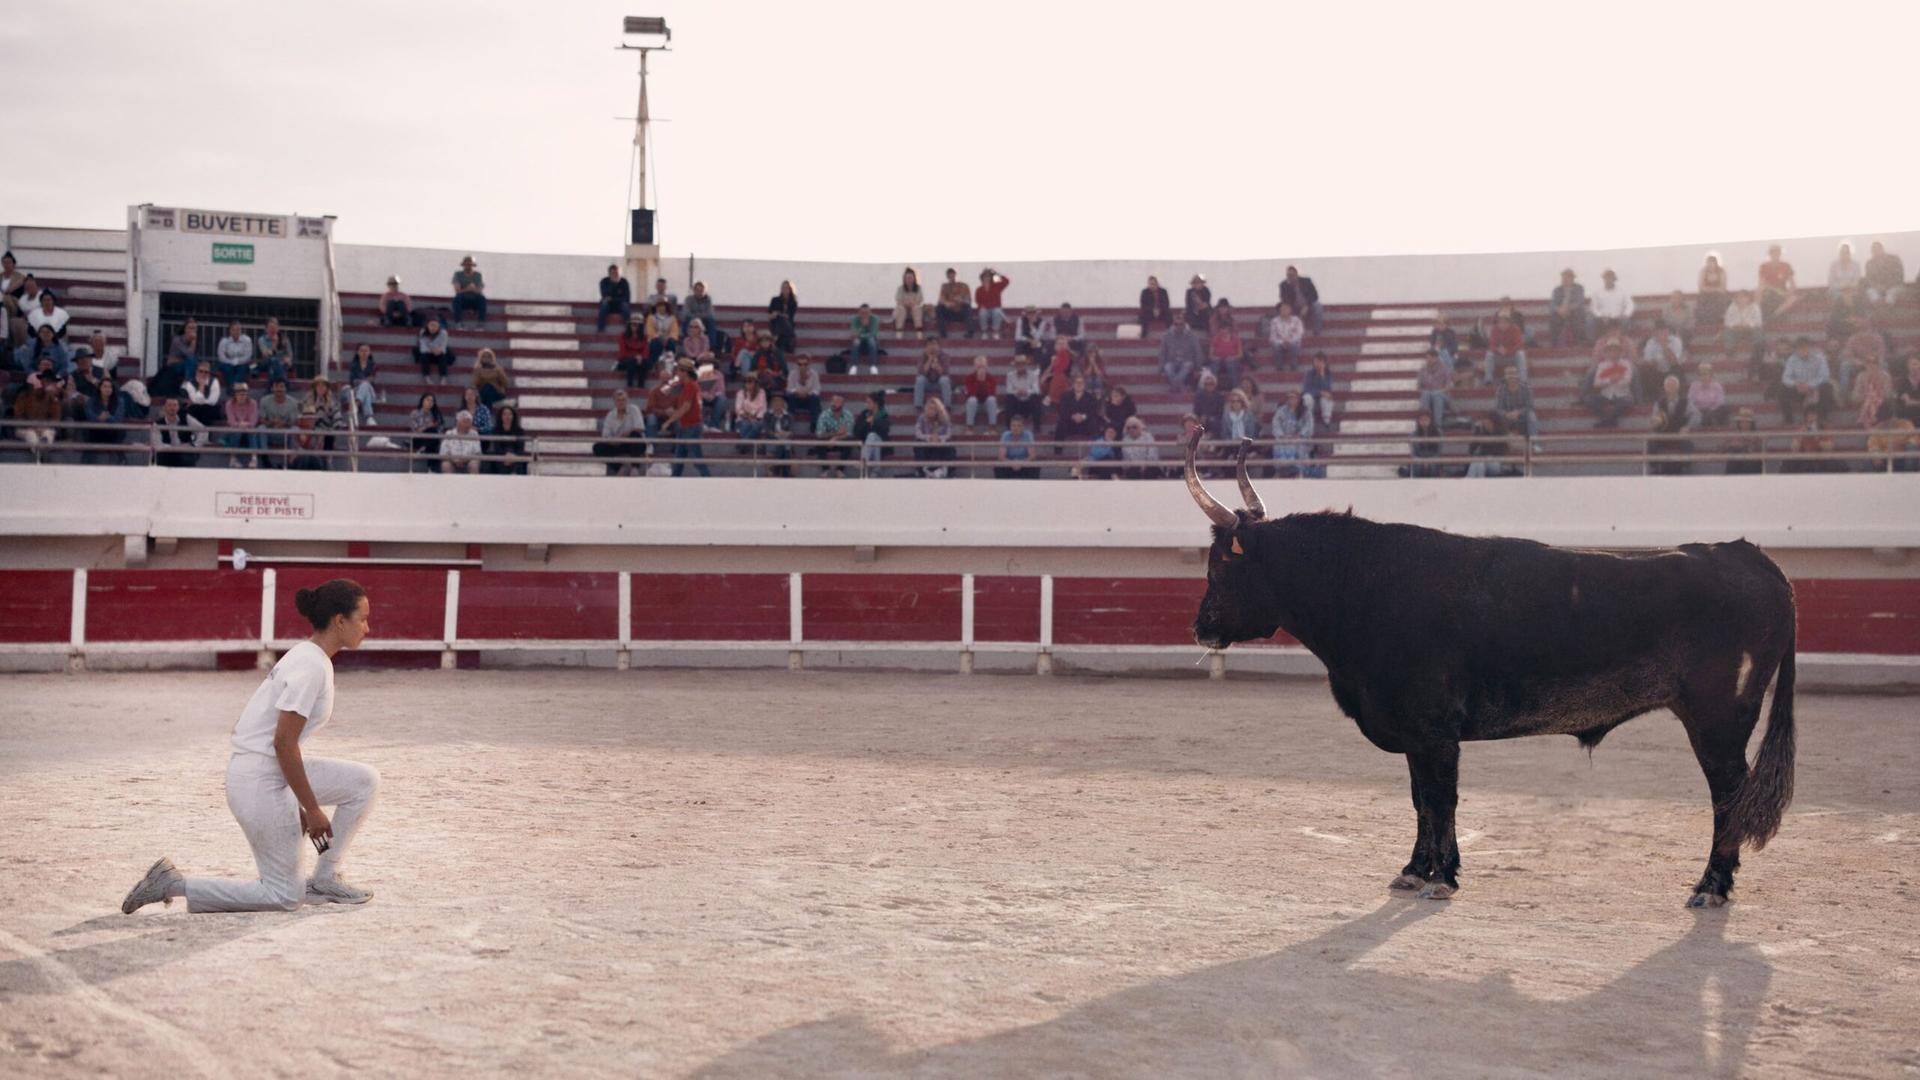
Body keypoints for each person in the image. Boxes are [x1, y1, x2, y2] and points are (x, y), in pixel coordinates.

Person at [119, 580, 380, 916]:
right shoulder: (311, 666)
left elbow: (261, 733)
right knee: (284, 896)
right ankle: (172, 884)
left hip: (268, 771)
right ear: (340, 621)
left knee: (364, 782)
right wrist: (311, 808)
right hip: (256, 782)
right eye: (363, 619)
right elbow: (283, 743)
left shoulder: (309, 656)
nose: (367, 628)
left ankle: (324, 879)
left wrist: (295, 802)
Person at [665, 358, 709, 477]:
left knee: (696, 459)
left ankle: (708, 480)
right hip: (686, 426)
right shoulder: (689, 385)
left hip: (691, 426)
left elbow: (685, 408)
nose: (676, 373)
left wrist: (669, 421)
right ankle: (674, 479)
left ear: (684, 372)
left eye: (678, 371)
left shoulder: (690, 386)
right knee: (679, 459)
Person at [1649, 375, 1699, 475]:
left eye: (1673, 385)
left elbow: (1697, 415)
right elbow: (1653, 420)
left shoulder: (1686, 402)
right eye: (1668, 385)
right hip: (1663, 435)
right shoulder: (1659, 403)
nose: (1671, 388)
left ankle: (1686, 468)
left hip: (1679, 434)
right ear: (1665, 388)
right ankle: (1654, 467)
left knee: (1688, 445)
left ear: (1677, 387)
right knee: (1651, 443)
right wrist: (1655, 423)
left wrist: (1688, 427)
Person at [593, 388, 647, 476]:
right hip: (617, 443)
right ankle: (620, 467)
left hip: (633, 443)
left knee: (635, 435)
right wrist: (615, 440)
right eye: (618, 400)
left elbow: (640, 428)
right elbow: (605, 436)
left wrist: (625, 435)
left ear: (627, 400)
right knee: (598, 447)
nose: (621, 402)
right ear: (614, 402)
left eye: (623, 400)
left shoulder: (634, 409)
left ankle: (635, 467)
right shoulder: (610, 415)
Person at [1583, 340, 1637, 427]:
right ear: (1607, 352)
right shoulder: (1602, 365)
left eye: (1616, 350)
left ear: (1620, 352)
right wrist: (1611, 380)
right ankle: (1609, 419)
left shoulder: (1626, 364)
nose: (1613, 353)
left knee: (1629, 401)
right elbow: (1596, 384)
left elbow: (1627, 381)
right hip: (1605, 395)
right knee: (1588, 399)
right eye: (1610, 350)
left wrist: (1608, 380)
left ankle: (1606, 420)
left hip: (1622, 395)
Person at [1779, 341, 1834, 425]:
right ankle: (1788, 420)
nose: (1803, 351)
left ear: (1810, 348)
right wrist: (1796, 384)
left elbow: (1825, 376)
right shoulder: (1792, 359)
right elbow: (1785, 378)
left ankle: (1822, 418)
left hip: (1815, 388)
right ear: (1796, 350)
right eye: (1800, 348)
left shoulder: (1819, 358)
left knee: (1827, 387)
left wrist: (1809, 385)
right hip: (1799, 389)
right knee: (1782, 389)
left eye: (1805, 348)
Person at [82, 375, 130, 465]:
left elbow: (118, 419)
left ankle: (122, 461)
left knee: (121, 431)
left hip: (112, 431)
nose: (108, 389)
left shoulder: (119, 401)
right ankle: (87, 461)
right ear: (100, 388)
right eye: (105, 386)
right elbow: (89, 416)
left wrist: (108, 417)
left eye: (110, 387)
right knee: (87, 430)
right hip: (96, 431)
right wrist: (98, 419)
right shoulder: (91, 401)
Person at [1492, 365, 1540, 450]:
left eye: (1513, 373)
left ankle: (1535, 444)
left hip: (1522, 417)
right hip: (1507, 417)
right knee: (1496, 417)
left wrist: (1518, 412)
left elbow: (1530, 406)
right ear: (1505, 376)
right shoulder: (1501, 390)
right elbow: (1498, 408)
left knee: (1532, 416)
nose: (1511, 376)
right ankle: (1500, 446)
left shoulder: (1526, 388)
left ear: (1518, 375)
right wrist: (1506, 414)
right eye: (1508, 374)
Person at [1269, 391, 1315, 476]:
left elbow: (1308, 426)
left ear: (1299, 399)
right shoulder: (1281, 410)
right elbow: (1276, 424)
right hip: (1284, 437)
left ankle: (1299, 471)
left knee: (1299, 446)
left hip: (1299, 438)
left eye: (1294, 398)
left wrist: (1300, 435)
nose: (1292, 400)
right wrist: (1282, 435)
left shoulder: (1306, 412)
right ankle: (1281, 469)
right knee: (1279, 444)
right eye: (1290, 398)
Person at [258, 377, 300, 467]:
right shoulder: (264, 401)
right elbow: (261, 420)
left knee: (295, 429)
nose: (279, 389)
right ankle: (265, 458)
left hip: (285, 433)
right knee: (261, 428)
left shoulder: (293, 402)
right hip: (271, 432)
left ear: (286, 388)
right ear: (272, 388)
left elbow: (294, 422)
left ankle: (291, 460)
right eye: (276, 387)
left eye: (281, 387)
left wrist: (284, 424)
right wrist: (272, 422)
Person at [222, 381, 265, 467]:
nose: (242, 396)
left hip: (248, 429)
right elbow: (231, 421)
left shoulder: (253, 403)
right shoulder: (229, 404)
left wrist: (244, 425)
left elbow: (253, 421)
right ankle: (233, 459)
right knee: (236, 431)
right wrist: (240, 425)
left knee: (252, 431)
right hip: (235, 430)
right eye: (239, 394)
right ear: (235, 395)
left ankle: (254, 459)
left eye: (244, 394)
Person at [812, 392, 856, 476]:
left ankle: (840, 470)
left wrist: (836, 438)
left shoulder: (848, 415)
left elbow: (849, 433)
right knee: (819, 441)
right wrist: (835, 434)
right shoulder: (824, 415)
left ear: (843, 404)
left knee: (850, 441)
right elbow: (820, 433)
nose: (833, 404)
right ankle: (825, 469)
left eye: (837, 402)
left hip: (841, 441)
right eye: (832, 401)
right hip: (827, 441)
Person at [150, 396, 201, 467]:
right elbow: (157, 445)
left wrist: (194, 445)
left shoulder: (186, 418)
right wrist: (174, 447)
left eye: (175, 405)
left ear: (178, 407)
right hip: (166, 454)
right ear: (164, 407)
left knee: (188, 456)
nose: (172, 408)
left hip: (184, 454)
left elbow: (203, 431)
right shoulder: (157, 424)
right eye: (169, 405)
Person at [1054, 372, 1102, 446]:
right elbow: (1062, 410)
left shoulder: (1091, 397)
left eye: (1081, 383)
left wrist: (1083, 417)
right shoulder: (1066, 396)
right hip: (1070, 424)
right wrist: (1072, 416)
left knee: (1094, 423)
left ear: (1084, 385)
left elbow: (1093, 411)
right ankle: (1057, 451)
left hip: (1085, 425)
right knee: (1061, 424)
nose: (1079, 384)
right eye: (1077, 382)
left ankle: (1095, 449)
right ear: (1073, 384)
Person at [184, 360, 225, 444]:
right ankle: (197, 437)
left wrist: (201, 389)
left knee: (205, 409)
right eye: (201, 371)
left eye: (206, 372)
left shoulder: (214, 381)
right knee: (194, 409)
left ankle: (205, 438)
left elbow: (212, 401)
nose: (203, 374)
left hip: (211, 409)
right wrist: (201, 387)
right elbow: (196, 400)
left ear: (209, 373)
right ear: (196, 371)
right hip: (196, 409)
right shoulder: (190, 383)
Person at [1158, 316, 1203, 390]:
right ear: (1173, 324)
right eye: (1176, 324)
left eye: (1181, 324)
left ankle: (1174, 386)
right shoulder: (1166, 336)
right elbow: (1162, 353)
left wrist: (1198, 368)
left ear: (1185, 324)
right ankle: (1179, 385)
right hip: (1171, 361)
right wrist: (1161, 368)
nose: (1178, 326)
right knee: (1167, 367)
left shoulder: (1192, 336)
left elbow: (1197, 351)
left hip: (1187, 360)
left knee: (1187, 366)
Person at [1548, 269, 1591, 346]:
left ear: (1572, 279)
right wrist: (1559, 310)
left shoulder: (1579, 288)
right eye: (1563, 278)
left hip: (1573, 311)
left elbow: (1579, 302)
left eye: (1567, 278)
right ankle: (1555, 344)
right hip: (1560, 313)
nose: (1564, 280)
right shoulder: (1557, 290)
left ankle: (1579, 343)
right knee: (1553, 317)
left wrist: (1568, 309)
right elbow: (1553, 304)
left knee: (1579, 314)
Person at [1850, 355, 1894, 428]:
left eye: (1874, 362)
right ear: (1865, 364)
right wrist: (1865, 396)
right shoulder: (1861, 376)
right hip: (1864, 400)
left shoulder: (1885, 376)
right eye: (1869, 362)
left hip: (1881, 402)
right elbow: (1855, 394)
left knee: (1871, 400)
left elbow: (1888, 393)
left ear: (1878, 364)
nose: (1871, 365)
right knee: (1869, 400)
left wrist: (1877, 396)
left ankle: (1864, 420)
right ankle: (1872, 422)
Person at [853, 391, 891, 473]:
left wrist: (874, 422)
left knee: (872, 436)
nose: (867, 405)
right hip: (867, 444)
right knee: (873, 439)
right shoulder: (864, 414)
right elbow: (856, 431)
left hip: (882, 444)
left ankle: (863, 462)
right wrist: (866, 422)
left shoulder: (884, 415)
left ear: (875, 404)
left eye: (869, 402)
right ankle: (876, 470)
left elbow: (885, 430)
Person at [1002, 353, 1042, 430]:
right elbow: (1008, 390)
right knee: (1009, 398)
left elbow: (1036, 390)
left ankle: (1037, 428)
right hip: (1017, 403)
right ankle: (1009, 428)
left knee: (1036, 398)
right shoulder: (1010, 375)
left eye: (1023, 364)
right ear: (1015, 366)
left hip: (1029, 403)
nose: (1021, 366)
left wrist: (1027, 392)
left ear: (1026, 365)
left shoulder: (1033, 375)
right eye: (1018, 364)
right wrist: (1017, 392)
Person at [1756, 244, 1798, 318]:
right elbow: (1761, 283)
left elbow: (1793, 284)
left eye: (1777, 252)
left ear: (1780, 254)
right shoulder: (1764, 266)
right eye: (1773, 252)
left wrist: (1789, 293)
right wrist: (1775, 290)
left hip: (1782, 291)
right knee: (1759, 291)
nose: (1775, 254)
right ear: (1770, 254)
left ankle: (1774, 316)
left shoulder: (1786, 265)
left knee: (1793, 298)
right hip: (1769, 291)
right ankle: (1757, 314)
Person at [1280, 266, 1323, 336]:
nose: (1290, 277)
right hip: (1294, 307)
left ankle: (1317, 332)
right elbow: (1284, 299)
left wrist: (1306, 306)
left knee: (1318, 306)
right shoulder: (1284, 285)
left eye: (1292, 275)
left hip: (1308, 306)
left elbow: (1315, 295)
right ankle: (1289, 333)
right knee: (1283, 308)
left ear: (1296, 274)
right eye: (1288, 275)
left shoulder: (1306, 281)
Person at [1484, 312, 1526, 383]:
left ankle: (1523, 380)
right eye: (1500, 322)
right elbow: (1491, 345)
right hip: (1499, 357)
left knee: (1521, 354)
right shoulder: (1494, 330)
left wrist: (1508, 351)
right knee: (1489, 354)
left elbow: (1519, 345)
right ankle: (1488, 379)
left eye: (1505, 322)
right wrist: (1497, 349)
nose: (1503, 324)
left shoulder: (1516, 329)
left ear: (1509, 322)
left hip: (1512, 357)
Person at [487, 404, 529, 475]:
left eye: (510, 414)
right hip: (501, 456)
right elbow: (497, 447)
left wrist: (512, 456)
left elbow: (520, 447)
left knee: (518, 458)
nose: (507, 416)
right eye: (505, 414)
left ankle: (514, 475)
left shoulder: (520, 431)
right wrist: (506, 455)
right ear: (501, 416)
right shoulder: (496, 430)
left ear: (513, 416)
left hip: (515, 456)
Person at [1401, 412, 1445, 478]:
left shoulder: (1438, 433)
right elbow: (1414, 452)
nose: (1424, 422)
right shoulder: (1413, 435)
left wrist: (1429, 461)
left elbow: (1438, 452)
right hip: (1419, 458)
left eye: (1426, 419)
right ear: (1418, 421)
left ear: (1431, 420)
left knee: (1434, 465)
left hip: (1433, 458)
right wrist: (1422, 461)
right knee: (1416, 464)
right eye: (1422, 420)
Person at [408, 392, 444, 472]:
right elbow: (417, 430)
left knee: (433, 436)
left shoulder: (436, 415)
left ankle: (423, 450)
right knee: (432, 432)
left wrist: (431, 428)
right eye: (428, 400)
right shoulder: (415, 413)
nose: (430, 402)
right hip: (418, 439)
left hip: (433, 439)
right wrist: (429, 426)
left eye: (432, 401)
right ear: (422, 401)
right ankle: (432, 469)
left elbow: (440, 431)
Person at [1863, 241, 1907, 307]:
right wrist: (1878, 287)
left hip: (1895, 286)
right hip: (1878, 288)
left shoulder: (1894, 259)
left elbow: (1899, 276)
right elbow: (1869, 280)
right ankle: (1879, 309)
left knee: (1890, 294)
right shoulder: (1869, 263)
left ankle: (1887, 309)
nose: (1876, 252)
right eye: (1874, 250)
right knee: (1871, 292)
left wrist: (1887, 286)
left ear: (1882, 249)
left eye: (1878, 249)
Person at [1722, 291, 1765, 359]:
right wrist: (1735, 325)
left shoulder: (1755, 307)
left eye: (1743, 297)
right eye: (1738, 297)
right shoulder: (1732, 307)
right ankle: (1730, 351)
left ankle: (1757, 352)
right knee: (1727, 331)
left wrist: (1748, 324)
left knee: (1758, 331)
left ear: (1749, 298)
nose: (1741, 299)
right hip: (1736, 330)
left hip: (1750, 330)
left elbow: (1758, 321)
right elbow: (1727, 322)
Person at [785, 353, 823, 429]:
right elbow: (789, 388)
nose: (803, 366)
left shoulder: (814, 374)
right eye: (800, 364)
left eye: (805, 364)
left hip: (809, 399)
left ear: (809, 364)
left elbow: (817, 389)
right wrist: (797, 392)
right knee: (790, 396)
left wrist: (808, 393)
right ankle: (789, 421)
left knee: (815, 398)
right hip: (796, 399)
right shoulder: (792, 373)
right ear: (797, 364)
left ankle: (814, 423)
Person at [962, 355, 998, 433]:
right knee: (972, 400)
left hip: (986, 404)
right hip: (974, 405)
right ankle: (969, 427)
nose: (981, 369)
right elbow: (970, 394)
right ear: (975, 367)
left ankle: (992, 427)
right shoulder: (969, 378)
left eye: (983, 367)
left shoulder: (991, 378)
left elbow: (991, 393)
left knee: (992, 399)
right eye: (979, 367)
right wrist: (979, 381)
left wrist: (983, 382)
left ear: (986, 366)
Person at [762, 394, 796, 477]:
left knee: (784, 446)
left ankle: (776, 469)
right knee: (783, 447)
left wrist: (786, 433)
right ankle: (786, 471)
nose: (777, 405)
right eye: (775, 403)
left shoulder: (789, 416)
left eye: (779, 403)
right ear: (771, 405)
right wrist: (775, 434)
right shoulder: (767, 415)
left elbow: (792, 431)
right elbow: (766, 430)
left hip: (785, 439)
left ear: (783, 405)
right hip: (772, 440)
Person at [1265, 301, 1305, 372]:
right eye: (1282, 309)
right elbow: (1273, 336)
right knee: (1276, 346)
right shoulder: (1275, 321)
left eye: (1286, 308)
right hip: (1279, 342)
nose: (1284, 310)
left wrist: (1289, 341)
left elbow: (1299, 333)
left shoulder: (1296, 320)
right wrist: (1282, 342)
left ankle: (1293, 366)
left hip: (1293, 342)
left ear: (1290, 310)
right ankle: (1279, 367)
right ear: (1279, 310)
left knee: (1294, 345)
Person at [1418, 348, 1452, 428]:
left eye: (1429, 358)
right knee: (1426, 394)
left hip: (1442, 395)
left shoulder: (1444, 369)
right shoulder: (1423, 370)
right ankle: (1425, 423)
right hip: (1428, 395)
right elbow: (1419, 386)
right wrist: (1426, 391)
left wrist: (1438, 392)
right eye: (1427, 358)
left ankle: (1437, 425)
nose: (1427, 360)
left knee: (1437, 395)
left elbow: (1448, 386)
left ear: (1435, 358)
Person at [935, 268, 974, 339]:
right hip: (949, 313)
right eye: (949, 275)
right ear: (947, 276)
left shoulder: (963, 286)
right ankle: (942, 334)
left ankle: (970, 332)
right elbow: (940, 300)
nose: (951, 276)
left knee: (968, 307)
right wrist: (946, 303)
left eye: (952, 274)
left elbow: (969, 300)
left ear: (955, 275)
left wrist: (961, 300)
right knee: (939, 308)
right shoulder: (945, 286)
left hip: (961, 313)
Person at [1300, 352, 1336, 428]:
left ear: (1324, 363)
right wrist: (1319, 392)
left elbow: (1328, 388)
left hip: (1323, 396)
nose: (1317, 364)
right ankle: (1309, 420)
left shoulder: (1328, 374)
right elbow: (1306, 389)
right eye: (1315, 362)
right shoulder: (1309, 373)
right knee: (1307, 398)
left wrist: (1322, 375)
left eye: (1320, 362)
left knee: (1328, 398)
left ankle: (1326, 422)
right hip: (1311, 395)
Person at [1688, 362, 1730, 428]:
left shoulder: (1717, 386)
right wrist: (1697, 411)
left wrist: (1711, 410)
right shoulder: (1694, 386)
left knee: (1723, 409)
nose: (1703, 377)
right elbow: (1690, 401)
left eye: (1706, 374)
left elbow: (1720, 402)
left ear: (1711, 375)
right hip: (1698, 411)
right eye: (1701, 374)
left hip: (1713, 411)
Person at [995, 414, 1037, 478]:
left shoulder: (1028, 435)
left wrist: (1021, 463)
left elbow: (1032, 456)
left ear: (1023, 427)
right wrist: (1011, 463)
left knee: (1035, 467)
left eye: (1019, 426)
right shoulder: (1005, 435)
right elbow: (1001, 456)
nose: (1016, 428)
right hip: (1009, 464)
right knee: (998, 468)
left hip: (1025, 463)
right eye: (1013, 425)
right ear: (1010, 427)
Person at [413, 317, 453, 383]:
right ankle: (426, 376)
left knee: (444, 356)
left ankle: (443, 377)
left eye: (435, 326)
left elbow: (443, 346)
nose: (433, 328)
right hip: (427, 353)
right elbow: (423, 347)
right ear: (427, 325)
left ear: (439, 326)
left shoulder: (443, 333)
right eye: (431, 325)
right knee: (422, 355)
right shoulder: (423, 332)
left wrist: (439, 350)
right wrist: (432, 350)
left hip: (438, 353)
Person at [915, 341, 953, 410]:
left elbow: (945, 373)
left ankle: (947, 406)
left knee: (945, 379)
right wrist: (929, 360)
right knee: (920, 379)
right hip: (927, 384)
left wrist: (937, 366)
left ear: (938, 346)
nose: (932, 347)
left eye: (934, 344)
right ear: (926, 347)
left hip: (940, 384)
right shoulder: (922, 356)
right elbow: (921, 372)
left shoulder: (944, 356)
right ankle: (918, 405)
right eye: (930, 345)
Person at [451, 256, 487, 328]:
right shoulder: (458, 274)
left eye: (470, 264)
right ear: (463, 265)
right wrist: (469, 289)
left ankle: (480, 324)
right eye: (466, 264)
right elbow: (457, 291)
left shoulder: (478, 275)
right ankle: (458, 323)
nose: (468, 266)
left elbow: (479, 290)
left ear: (473, 265)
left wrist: (469, 289)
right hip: (463, 300)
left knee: (482, 299)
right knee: (456, 299)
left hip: (475, 300)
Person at [255, 318, 293, 385]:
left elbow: (289, 354)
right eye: (271, 327)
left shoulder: (284, 339)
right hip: (266, 363)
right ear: (266, 329)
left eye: (275, 327)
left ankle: (270, 387)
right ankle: (286, 384)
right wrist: (275, 343)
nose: (273, 330)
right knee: (274, 360)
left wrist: (288, 360)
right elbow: (266, 354)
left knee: (274, 369)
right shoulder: (262, 339)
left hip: (281, 363)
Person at [974, 268, 1011, 339]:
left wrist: (996, 274)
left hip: (995, 309)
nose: (986, 278)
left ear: (991, 277)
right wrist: (981, 306)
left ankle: (995, 332)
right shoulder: (979, 289)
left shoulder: (997, 286)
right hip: (985, 309)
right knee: (982, 312)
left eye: (988, 276)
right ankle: (984, 332)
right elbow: (977, 301)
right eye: (985, 276)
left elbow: (1006, 281)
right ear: (982, 278)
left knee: (997, 311)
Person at [595, 263, 632, 333]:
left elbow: (627, 298)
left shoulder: (624, 282)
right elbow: (605, 295)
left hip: (620, 305)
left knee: (625, 306)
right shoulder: (604, 282)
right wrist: (613, 284)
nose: (615, 275)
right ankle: (600, 329)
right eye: (613, 273)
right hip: (609, 305)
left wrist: (612, 299)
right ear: (609, 274)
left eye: (616, 273)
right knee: (604, 305)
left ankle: (629, 329)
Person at [1695, 254, 1730, 327]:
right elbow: (1701, 288)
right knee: (1701, 297)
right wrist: (1715, 289)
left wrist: (1709, 289)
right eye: (1709, 263)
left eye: (1713, 263)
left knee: (1722, 298)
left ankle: (1719, 320)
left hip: (1718, 295)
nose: (1711, 266)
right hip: (1706, 294)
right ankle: (1703, 321)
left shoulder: (1722, 271)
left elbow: (1723, 289)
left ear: (1716, 263)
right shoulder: (1703, 271)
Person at [848, 303, 883, 375]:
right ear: (859, 312)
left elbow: (873, 333)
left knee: (871, 340)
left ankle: (873, 366)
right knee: (856, 341)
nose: (865, 315)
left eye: (867, 313)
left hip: (871, 343)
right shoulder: (854, 319)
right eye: (862, 313)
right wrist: (862, 326)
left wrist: (861, 335)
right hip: (859, 343)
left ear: (870, 312)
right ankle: (854, 366)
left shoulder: (875, 319)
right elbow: (854, 333)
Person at [217, 321, 255, 385]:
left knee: (244, 368)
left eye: (238, 330)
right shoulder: (224, 341)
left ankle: (232, 387)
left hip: (243, 363)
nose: (236, 332)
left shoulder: (247, 340)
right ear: (230, 331)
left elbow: (248, 356)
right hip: (228, 363)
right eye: (233, 330)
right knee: (227, 368)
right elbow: (221, 357)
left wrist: (237, 361)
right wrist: (231, 362)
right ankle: (234, 388)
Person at [644, 299, 680, 364]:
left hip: (668, 339)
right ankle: (653, 363)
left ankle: (670, 363)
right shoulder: (651, 317)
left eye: (663, 305)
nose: (661, 307)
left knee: (671, 343)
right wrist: (659, 337)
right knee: (655, 343)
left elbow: (674, 331)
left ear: (666, 307)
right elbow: (650, 331)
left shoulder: (672, 318)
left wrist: (668, 337)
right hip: (655, 339)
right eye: (658, 305)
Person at [766, 280, 799, 353]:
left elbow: (789, 316)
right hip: (775, 324)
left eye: (787, 288)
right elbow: (769, 315)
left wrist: (778, 313)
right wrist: (775, 315)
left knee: (782, 320)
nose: (784, 289)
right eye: (783, 287)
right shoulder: (775, 300)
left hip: (788, 324)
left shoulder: (793, 302)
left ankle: (776, 339)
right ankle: (786, 343)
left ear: (790, 289)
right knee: (780, 322)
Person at [617, 315, 649, 388]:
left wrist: (641, 357)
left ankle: (641, 385)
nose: (634, 327)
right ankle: (630, 384)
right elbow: (622, 352)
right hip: (626, 359)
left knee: (644, 362)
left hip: (639, 359)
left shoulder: (644, 337)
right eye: (633, 324)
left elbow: (646, 350)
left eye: (637, 325)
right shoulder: (623, 336)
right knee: (631, 361)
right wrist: (635, 357)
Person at [733, 375, 768, 439]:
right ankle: (746, 443)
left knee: (756, 425)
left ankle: (744, 443)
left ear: (755, 383)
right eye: (745, 382)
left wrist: (755, 418)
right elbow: (738, 409)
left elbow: (763, 408)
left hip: (757, 419)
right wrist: (747, 417)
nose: (747, 384)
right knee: (746, 424)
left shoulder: (761, 392)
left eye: (750, 381)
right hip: (743, 419)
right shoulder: (740, 393)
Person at [893, 267, 925, 338]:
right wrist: (906, 304)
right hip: (903, 310)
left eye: (911, 278)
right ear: (904, 279)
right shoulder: (900, 288)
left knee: (916, 308)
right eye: (907, 278)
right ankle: (899, 333)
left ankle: (919, 332)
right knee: (901, 308)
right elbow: (899, 300)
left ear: (914, 278)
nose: (909, 280)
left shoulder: (918, 288)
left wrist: (911, 304)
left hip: (914, 310)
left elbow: (919, 300)